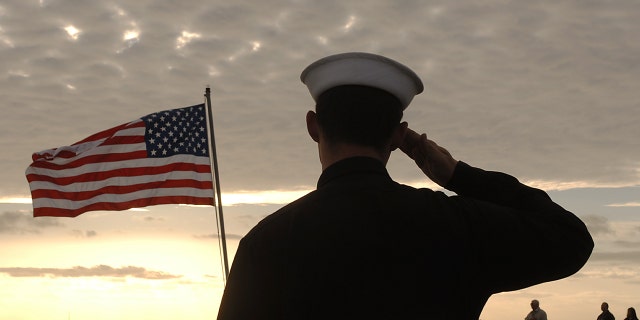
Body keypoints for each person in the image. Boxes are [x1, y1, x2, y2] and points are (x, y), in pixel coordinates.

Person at [216, 52, 594, 320]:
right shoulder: (457, 225)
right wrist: (458, 176)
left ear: (313, 126)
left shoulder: (266, 243)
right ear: (398, 135)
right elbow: (570, 238)